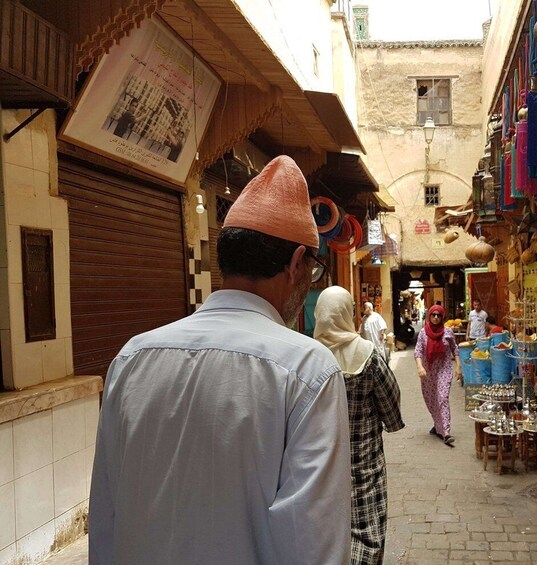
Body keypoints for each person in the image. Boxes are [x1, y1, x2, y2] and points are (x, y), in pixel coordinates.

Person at [89, 156, 351, 564]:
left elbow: (105, 518)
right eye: (313, 269)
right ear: (298, 262)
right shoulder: (306, 371)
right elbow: (313, 543)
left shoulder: (132, 358)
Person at [314, 286, 405, 565]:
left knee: (322, 537)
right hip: (363, 469)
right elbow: (391, 412)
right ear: (348, 313)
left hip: (317, 470)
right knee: (366, 537)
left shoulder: (306, 356)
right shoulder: (368, 354)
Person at [414, 304, 461, 446]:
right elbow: (418, 351)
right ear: (429, 316)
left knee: (442, 397)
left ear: (442, 317)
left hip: (444, 369)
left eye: (438, 315)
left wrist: (458, 367)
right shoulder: (423, 333)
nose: (435, 317)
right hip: (428, 372)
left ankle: (446, 432)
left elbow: (455, 350)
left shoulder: (448, 332)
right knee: (431, 399)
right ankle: (437, 424)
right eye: (433, 315)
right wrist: (420, 367)